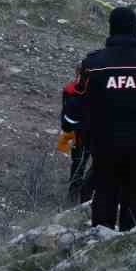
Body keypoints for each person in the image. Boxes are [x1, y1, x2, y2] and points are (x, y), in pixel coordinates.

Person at [58, 6, 136, 231]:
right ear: (135, 28)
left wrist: (68, 127)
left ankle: (101, 241)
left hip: (104, 142)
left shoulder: (94, 64)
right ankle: (131, 241)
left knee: (105, 190)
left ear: (111, 28)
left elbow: (76, 99)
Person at [57, 64, 96, 204]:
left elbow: (65, 113)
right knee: (80, 163)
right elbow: (66, 112)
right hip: (84, 134)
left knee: (79, 163)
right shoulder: (70, 89)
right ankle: (77, 196)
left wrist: (66, 133)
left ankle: (79, 195)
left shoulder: (71, 88)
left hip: (85, 133)